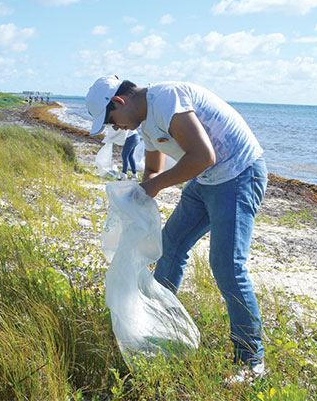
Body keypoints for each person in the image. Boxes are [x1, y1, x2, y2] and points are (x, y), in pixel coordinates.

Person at [86, 75, 268, 384]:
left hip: (238, 174)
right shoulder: (144, 123)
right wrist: (139, 194)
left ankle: (251, 361)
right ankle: (158, 323)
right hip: (207, 180)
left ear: (119, 102)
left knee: (227, 266)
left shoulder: (166, 98)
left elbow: (203, 156)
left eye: (112, 121)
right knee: (170, 246)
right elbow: (154, 171)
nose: (116, 129)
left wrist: (153, 186)